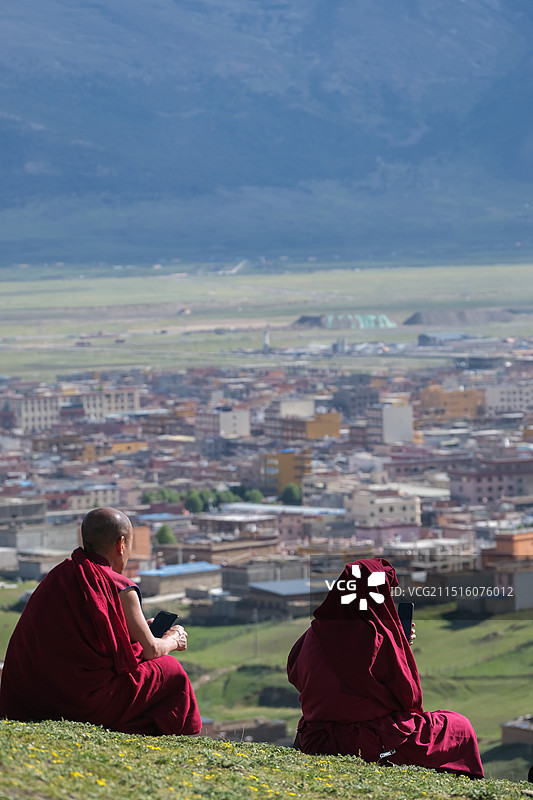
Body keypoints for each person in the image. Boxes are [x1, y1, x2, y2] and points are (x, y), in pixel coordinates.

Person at [0, 507, 201, 736]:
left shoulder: (58, 575)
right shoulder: (119, 586)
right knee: (170, 669)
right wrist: (173, 639)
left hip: (33, 698)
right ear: (121, 544)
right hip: (81, 704)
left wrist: (138, 628)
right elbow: (153, 650)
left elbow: (89, 633)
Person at [287, 558, 484, 778]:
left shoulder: (314, 632)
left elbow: (297, 674)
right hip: (360, 741)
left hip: (316, 737)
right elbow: (407, 698)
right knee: (458, 727)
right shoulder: (376, 636)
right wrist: (398, 647)